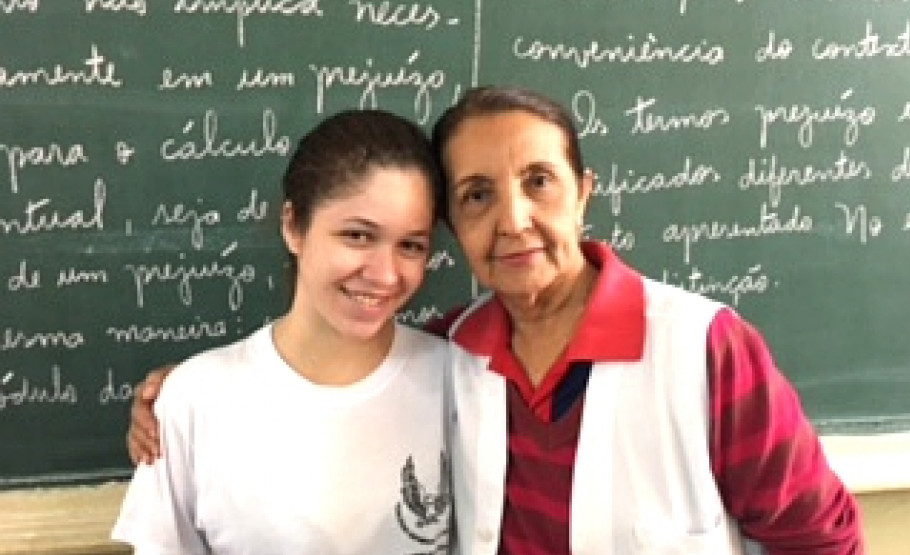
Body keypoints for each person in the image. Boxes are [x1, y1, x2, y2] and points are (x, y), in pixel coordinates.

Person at [128, 86, 864, 554]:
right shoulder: (457, 349)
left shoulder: (703, 349)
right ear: (457, 225)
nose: (513, 220)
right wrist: (185, 391)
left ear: (582, 193)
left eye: (538, 182)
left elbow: (821, 539)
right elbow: (326, 376)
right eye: (476, 195)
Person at [112, 109, 452, 554]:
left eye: (411, 245)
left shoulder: (460, 381)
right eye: (357, 236)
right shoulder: (193, 400)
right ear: (293, 226)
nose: (386, 275)